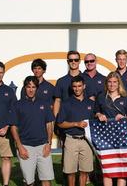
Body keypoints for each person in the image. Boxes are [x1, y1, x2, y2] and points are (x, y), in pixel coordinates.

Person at [10, 76, 55, 186]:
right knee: (29, 182)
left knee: (46, 179)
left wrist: (48, 144)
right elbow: (13, 127)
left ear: (37, 88)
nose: (31, 89)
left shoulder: (44, 104)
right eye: (28, 87)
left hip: (43, 146)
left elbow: (49, 124)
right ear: (25, 88)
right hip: (26, 147)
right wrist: (20, 146)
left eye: (33, 87)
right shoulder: (17, 105)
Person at [95, 71, 127, 186]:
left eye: (115, 82)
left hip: (122, 135)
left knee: (121, 166)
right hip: (105, 136)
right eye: (110, 82)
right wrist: (99, 115)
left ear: (119, 83)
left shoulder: (126, 97)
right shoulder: (101, 96)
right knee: (107, 167)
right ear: (106, 83)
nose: (112, 85)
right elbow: (95, 112)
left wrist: (123, 117)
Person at [56, 76, 95, 186]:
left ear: (84, 86)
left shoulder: (91, 104)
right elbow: (60, 123)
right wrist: (76, 124)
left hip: (86, 141)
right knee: (70, 171)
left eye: (79, 86)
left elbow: (95, 120)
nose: (77, 89)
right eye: (74, 86)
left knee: (84, 171)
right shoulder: (66, 103)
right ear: (71, 88)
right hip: (71, 140)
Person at [53, 50, 82, 186]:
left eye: (76, 59)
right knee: (67, 153)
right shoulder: (61, 81)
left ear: (79, 61)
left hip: (83, 125)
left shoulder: (85, 79)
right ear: (67, 62)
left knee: (84, 156)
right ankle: (67, 180)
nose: (74, 62)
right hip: (66, 123)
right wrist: (55, 121)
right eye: (71, 60)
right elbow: (57, 101)